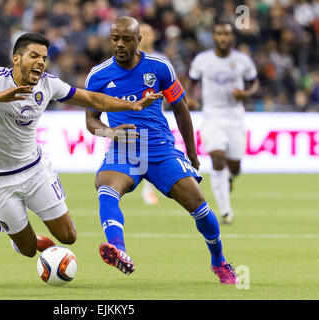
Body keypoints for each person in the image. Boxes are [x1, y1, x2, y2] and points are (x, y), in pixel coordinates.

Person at [0, 32, 163, 259]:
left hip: (35, 171)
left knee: (69, 236)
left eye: (44, 58)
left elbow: (92, 99)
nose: (40, 62)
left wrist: (132, 105)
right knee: (28, 250)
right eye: (34, 56)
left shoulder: (49, 84)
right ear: (16, 59)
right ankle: (26, 238)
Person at [85, 16, 239, 284]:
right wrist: (111, 132)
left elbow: (181, 108)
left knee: (200, 208)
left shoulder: (159, 67)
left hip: (160, 149)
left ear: (138, 40)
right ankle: (118, 249)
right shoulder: (98, 76)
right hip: (124, 150)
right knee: (105, 187)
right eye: (115, 38)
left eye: (126, 39)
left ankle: (219, 261)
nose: (119, 44)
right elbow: (90, 122)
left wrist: (191, 151)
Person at [187, 21, 259, 225]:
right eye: (219, 33)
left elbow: (254, 81)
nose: (223, 37)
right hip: (212, 115)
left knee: (235, 166)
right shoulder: (202, 60)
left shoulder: (242, 60)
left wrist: (246, 93)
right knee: (217, 157)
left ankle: (230, 179)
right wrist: (190, 99)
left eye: (227, 34)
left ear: (232, 38)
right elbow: (191, 82)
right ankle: (226, 211)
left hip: (235, 116)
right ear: (214, 37)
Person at [137, 23, 167, 205]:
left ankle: (149, 190)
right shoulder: (128, 60)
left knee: (153, 150)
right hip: (131, 113)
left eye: (149, 33)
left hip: (155, 114)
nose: (146, 36)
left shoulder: (161, 60)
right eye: (143, 33)